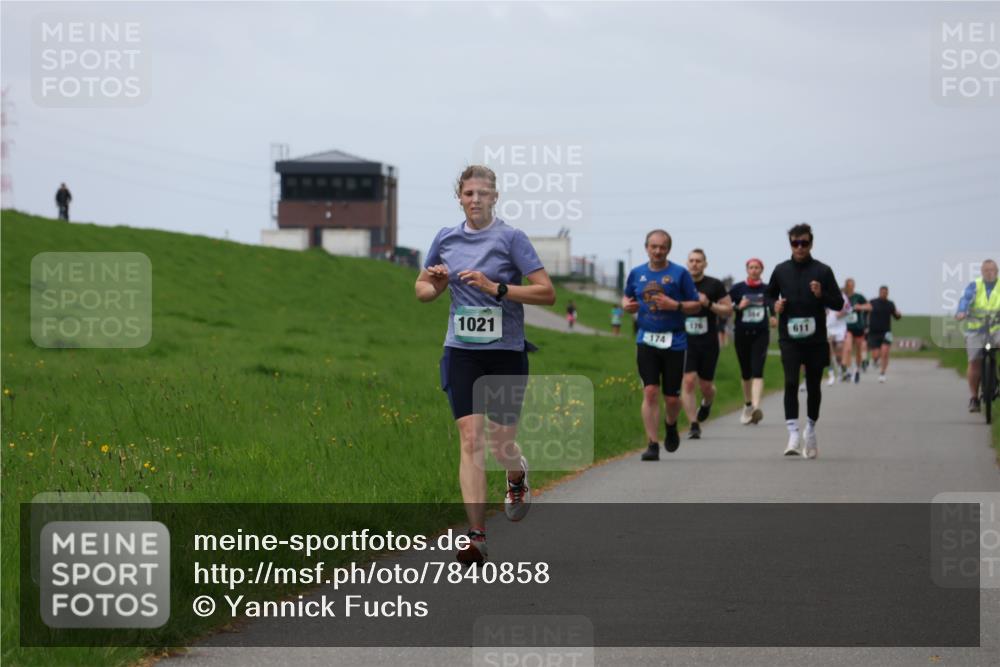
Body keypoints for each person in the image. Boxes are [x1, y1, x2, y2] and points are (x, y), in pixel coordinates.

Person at [414, 165, 555, 565]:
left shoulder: (511, 238)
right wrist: (438, 285)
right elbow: (421, 289)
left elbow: (547, 294)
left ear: (495, 197)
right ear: (459, 197)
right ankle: (476, 537)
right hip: (461, 349)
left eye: (483, 193)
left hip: (506, 351)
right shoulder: (446, 238)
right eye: (469, 193)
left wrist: (498, 289)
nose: (475, 199)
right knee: (472, 439)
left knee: (500, 442)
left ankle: (516, 476)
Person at [765, 223, 844, 459]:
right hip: (789, 338)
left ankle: (810, 428)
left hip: (816, 339)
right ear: (790, 243)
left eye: (804, 243)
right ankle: (792, 433)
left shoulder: (823, 271)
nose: (799, 247)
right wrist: (774, 305)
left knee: (813, 386)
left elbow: (838, 303)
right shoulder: (780, 270)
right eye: (795, 243)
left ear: (811, 243)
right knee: (790, 382)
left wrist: (822, 294)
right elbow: (769, 295)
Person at [623, 230, 700, 461]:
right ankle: (652, 444)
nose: (657, 251)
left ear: (668, 249)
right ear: (646, 247)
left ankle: (671, 424)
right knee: (650, 391)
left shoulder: (680, 273)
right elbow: (626, 297)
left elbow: (695, 305)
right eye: (653, 246)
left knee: (672, 399)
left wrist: (674, 305)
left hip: (675, 341)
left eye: (662, 247)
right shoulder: (637, 273)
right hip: (646, 339)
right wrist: (627, 306)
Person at [681, 249, 733, 439]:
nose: (694, 264)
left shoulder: (715, 284)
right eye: (691, 260)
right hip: (685, 341)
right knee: (687, 381)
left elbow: (728, 311)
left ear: (705, 264)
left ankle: (707, 402)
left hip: (708, 342)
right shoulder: (680, 283)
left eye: (698, 261)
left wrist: (708, 304)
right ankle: (693, 424)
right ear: (687, 263)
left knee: (706, 386)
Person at [729, 258, 770, 424]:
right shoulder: (738, 288)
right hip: (742, 334)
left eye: (757, 268)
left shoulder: (767, 289)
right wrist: (739, 306)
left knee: (758, 370)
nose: (754, 270)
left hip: (761, 334)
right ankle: (747, 405)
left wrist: (773, 317)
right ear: (747, 269)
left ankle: (755, 407)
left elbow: (773, 305)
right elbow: (726, 305)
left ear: (761, 270)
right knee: (746, 372)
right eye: (751, 267)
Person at [955, 259, 1000, 412]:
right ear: (981, 272)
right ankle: (974, 398)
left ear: (997, 272)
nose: (989, 272)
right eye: (986, 270)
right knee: (974, 362)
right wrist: (961, 311)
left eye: (992, 270)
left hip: (997, 329)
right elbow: (966, 299)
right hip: (976, 330)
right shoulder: (975, 285)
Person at [867, 285, 902, 383]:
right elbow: (867, 313)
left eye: (885, 292)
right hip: (874, 332)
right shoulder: (873, 302)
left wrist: (898, 315)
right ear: (879, 292)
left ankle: (882, 374)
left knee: (885, 352)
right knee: (875, 355)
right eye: (882, 292)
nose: (884, 294)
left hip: (887, 332)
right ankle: (874, 361)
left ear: (888, 293)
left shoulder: (890, 304)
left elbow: (896, 316)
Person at [841, 278, 870, 383]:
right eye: (849, 285)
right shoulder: (842, 297)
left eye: (853, 285)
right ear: (846, 286)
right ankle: (846, 368)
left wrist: (860, 306)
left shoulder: (858, 296)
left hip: (858, 327)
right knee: (847, 348)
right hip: (847, 327)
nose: (851, 287)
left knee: (858, 351)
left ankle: (857, 369)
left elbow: (870, 307)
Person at [825, 294, 851, 385]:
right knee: (828, 349)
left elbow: (849, 309)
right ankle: (831, 373)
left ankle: (842, 368)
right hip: (828, 326)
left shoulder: (842, 296)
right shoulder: (823, 294)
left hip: (840, 327)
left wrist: (842, 313)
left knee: (839, 351)